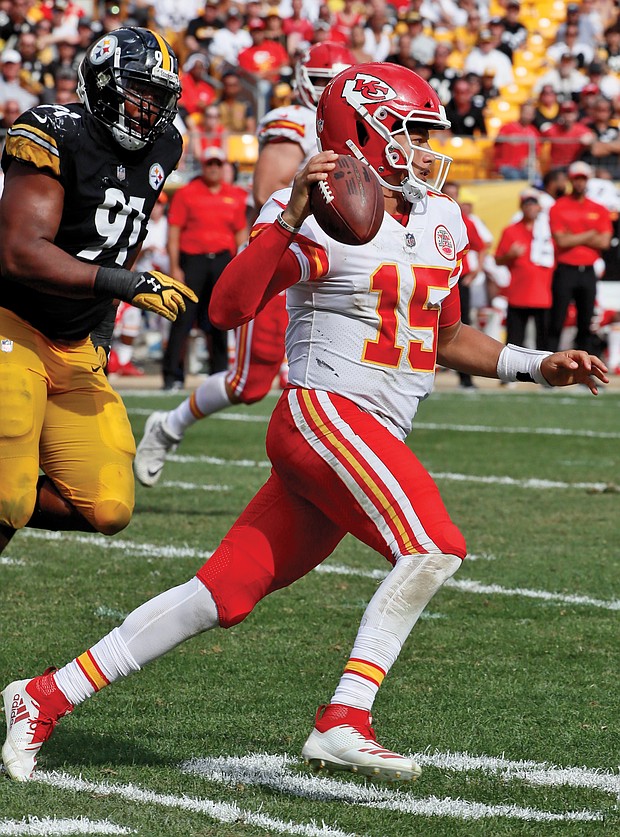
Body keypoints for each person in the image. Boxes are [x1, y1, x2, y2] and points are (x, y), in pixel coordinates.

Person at [2, 62, 608, 785]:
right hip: (326, 413)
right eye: (411, 132)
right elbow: (227, 307)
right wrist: (288, 217)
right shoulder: (325, 209)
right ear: (365, 130)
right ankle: (346, 714)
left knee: (221, 594)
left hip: (368, 432)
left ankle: (41, 696)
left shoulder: (442, 219)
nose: (423, 148)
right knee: (434, 544)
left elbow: (445, 337)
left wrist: (537, 363)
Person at [0, 27, 197, 559]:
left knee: (109, 507)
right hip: (13, 324)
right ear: (105, 84)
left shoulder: (165, 144)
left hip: (75, 340)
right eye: (140, 90)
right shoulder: (53, 130)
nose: (149, 108)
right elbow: (19, 251)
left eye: (159, 96)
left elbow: (122, 239)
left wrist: (105, 325)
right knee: (7, 494)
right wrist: (123, 286)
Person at [135, 41, 354, 484]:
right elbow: (267, 190)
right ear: (300, 83)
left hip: (341, 264)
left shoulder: (359, 131)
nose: (330, 90)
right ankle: (168, 425)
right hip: (290, 260)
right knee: (248, 384)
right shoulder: (291, 123)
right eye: (321, 81)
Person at [160, 145, 248, 390]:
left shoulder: (235, 195)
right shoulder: (188, 193)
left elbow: (240, 232)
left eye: (218, 164)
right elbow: (174, 231)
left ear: (224, 167)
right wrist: (175, 266)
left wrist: (241, 266)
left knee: (220, 318)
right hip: (193, 260)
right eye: (210, 163)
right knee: (183, 319)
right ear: (203, 165)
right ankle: (172, 375)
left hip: (222, 261)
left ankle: (219, 375)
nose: (213, 168)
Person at [548, 160, 613, 353]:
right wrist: (589, 234)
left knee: (586, 321)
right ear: (570, 180)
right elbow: (561, 241)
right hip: (565, 268)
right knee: (557, 318)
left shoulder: (598, 208)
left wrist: (573, 236)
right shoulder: (559, 206)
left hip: (587, 270)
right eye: (576, 179)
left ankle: (587, 368)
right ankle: (548, 365)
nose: (579, 183)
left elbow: (605, 242)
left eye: (583, 179)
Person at [495, 188, 554, 350]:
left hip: (543, 293)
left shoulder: (548, 231)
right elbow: (497, 259)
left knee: (543, 341)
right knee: (515, 339)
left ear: (539, 207)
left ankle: (544, 374)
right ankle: (510, 374)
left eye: (533, 204)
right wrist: (510, 255)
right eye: (527, 204)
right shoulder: (511, 230)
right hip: (519, 293)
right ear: (521, 207)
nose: (530, 207)